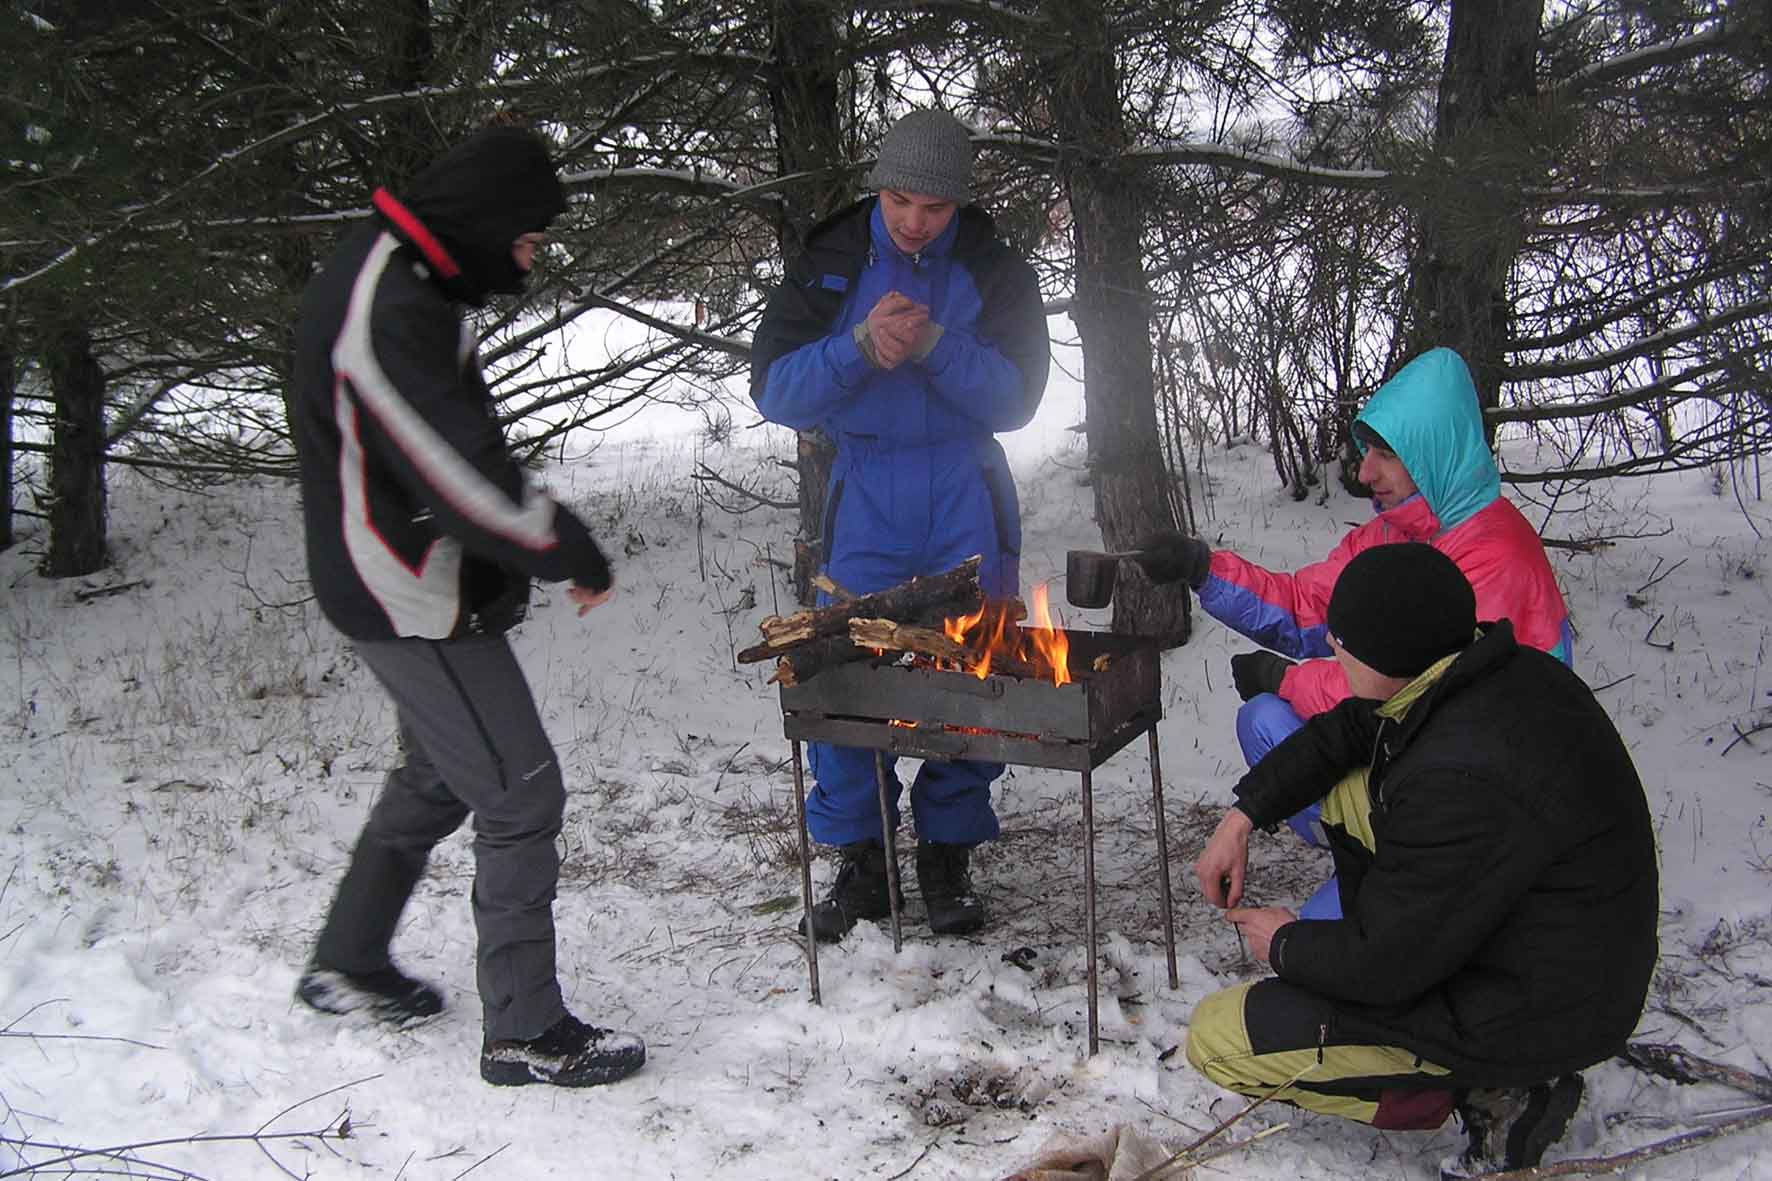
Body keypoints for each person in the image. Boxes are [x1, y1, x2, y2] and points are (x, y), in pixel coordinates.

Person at [285, 125, 645, 1089]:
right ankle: (525, 1028)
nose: (528, 262)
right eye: (525, 241)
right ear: (484, 224)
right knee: (520, 791)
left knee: (441, 773)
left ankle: (348, 960)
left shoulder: (406, 275)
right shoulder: (388, 305)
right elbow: (455, 473)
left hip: (398, 571)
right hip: (401, 586)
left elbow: (446, 442)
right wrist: (564, 543)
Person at [1183, 543, 1658, 1179]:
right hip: (1540, 945)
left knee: (1217, 1039)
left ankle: (1492, 1090)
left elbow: (1383, 967)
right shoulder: (1481, 673)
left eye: (1343, 643)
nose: (1332, 647)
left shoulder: (1460, 780)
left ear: (1389, 653)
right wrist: (1241, 818)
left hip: (1535, 1010)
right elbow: (1347, 730)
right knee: (1350, 785)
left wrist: (1286, 944)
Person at [749, 108, 1050, 942]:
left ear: (960, 204)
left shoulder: (991, 266)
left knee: (974, 674)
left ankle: (947, 853)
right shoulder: (833, 259)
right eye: (901, 201)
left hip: (966, 494)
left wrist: (935, 346)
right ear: (878, 188)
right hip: (867, 498)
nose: (916, 221)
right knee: (845, 675)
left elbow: (1020, 399)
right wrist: (854, 347)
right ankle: (864, 858)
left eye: (935, 207)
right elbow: (774, 389)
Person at [1137, 347, 1572, 916]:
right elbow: (1307, 607)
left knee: (1319, 941)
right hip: (1412, 766)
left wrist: (1289, 679)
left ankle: (1416, 888)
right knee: (1263, 721)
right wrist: (1202, 568)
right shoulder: (1395, 532)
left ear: (1433, 453)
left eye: (1386, 455)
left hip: (1485, 804)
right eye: (1366, 452)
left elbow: (1410, 701)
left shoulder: (1495, 559)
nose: (1366, 474)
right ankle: (1370, 851)